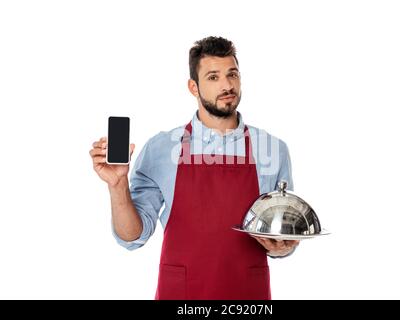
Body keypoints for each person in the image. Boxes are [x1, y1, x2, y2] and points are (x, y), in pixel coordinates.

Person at [89, 36, 299, 300]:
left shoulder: (273, 150)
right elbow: (133, 237)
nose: (226, 85)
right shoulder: (161, 149)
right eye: (213, 77)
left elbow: (282, 233)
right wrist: (118, 184)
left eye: (232, 74)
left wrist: (282, 248)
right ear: (193, 87)